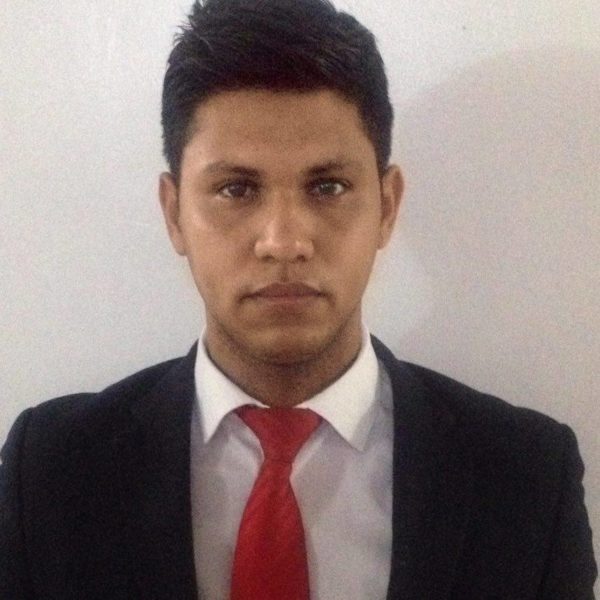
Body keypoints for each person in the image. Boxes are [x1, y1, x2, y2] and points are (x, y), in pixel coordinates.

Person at [0, 0, 596, 598]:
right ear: (173, 213)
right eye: (236, 189)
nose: (284, 242)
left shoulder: (525, 478)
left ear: (387, 207)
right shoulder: (52, 471)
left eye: (328, 186)